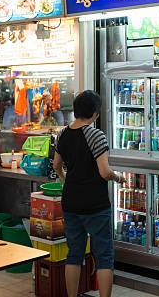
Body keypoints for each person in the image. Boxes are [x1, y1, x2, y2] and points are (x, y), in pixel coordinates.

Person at [53, 90, 125, 297]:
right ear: (94, 112)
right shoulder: (95, 135)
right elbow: (104, 172)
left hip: (71, 202)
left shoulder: (63, 134)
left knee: (74, 254)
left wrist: (65, 180)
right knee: (103, 256)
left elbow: (57, 165)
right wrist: (118, 178)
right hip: (95, 203)